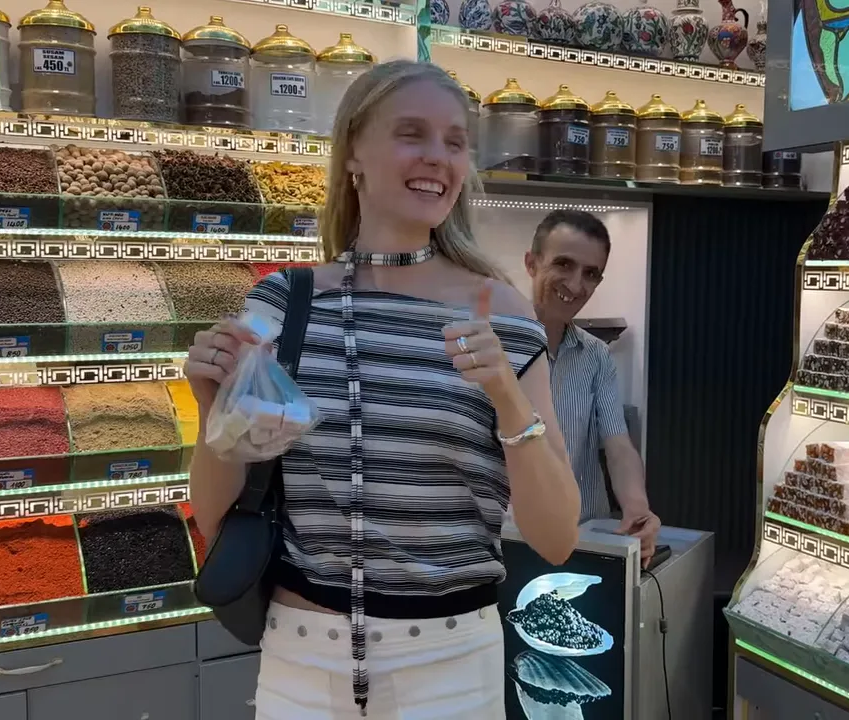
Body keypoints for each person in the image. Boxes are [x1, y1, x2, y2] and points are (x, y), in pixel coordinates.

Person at [185, 60, 581, 720]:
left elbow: (558, 535)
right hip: (301, 660)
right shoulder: (282, 305)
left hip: (451, 666)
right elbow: (213, 513)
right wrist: (213, 408)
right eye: (411, 133)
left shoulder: (502, 312)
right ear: (354, 157)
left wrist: (508, 401)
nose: (437, 157)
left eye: (455, 142)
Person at [523, 209, 661, 566]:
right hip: (509, 542)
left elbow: (617, 445)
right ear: (531, 263)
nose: (575, 284)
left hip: (583, 539)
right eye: (563, 265)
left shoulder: (596, 355)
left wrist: (637, 510)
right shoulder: (490, 346)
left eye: (590, 273)